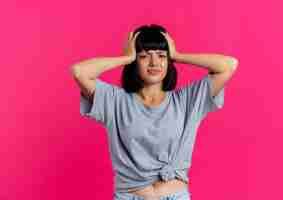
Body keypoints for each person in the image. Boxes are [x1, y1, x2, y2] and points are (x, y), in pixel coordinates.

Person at [71, 24, 238, 200]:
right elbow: (80, 72)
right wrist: (125, 58)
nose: (154, 63)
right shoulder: (115, 100)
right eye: (144, 56)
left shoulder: (186, 100)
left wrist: (178, 56)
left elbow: (228, 65)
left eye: (161, 56)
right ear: (135, 61)